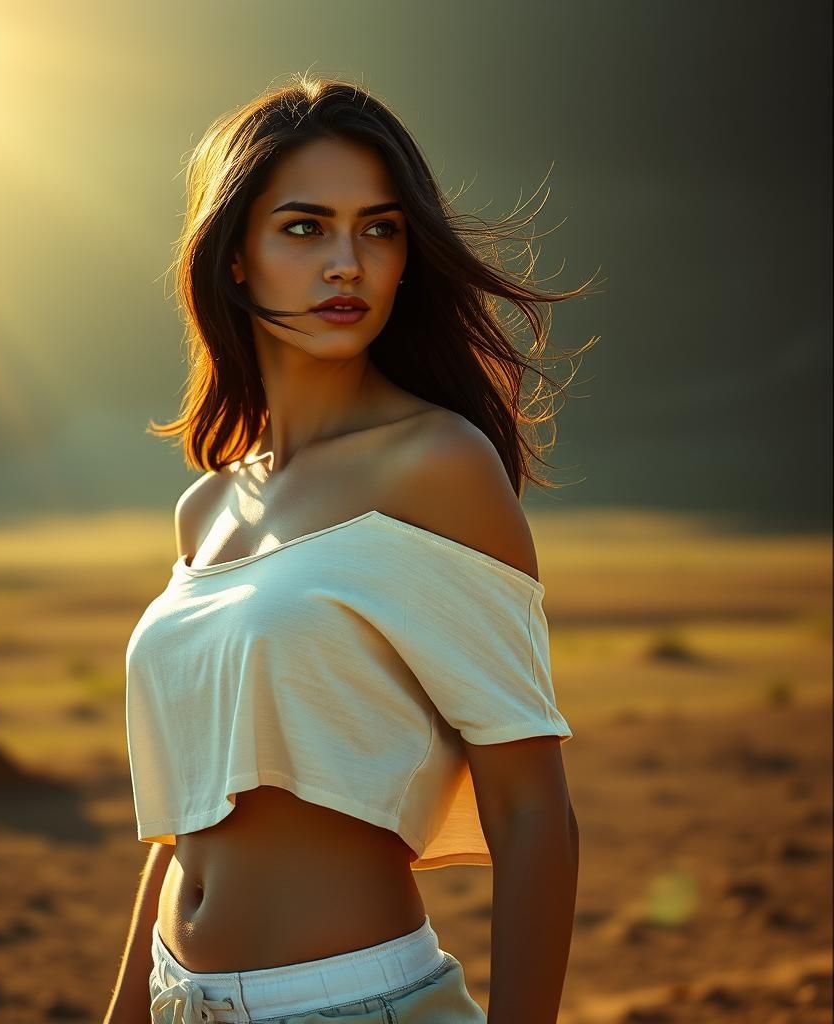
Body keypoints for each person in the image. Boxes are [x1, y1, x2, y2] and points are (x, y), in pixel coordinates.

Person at [105, 74, 601, 1024]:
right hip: (177, 998)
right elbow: (180, 830)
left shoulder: (439, 465)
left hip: (348, 1005)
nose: (349, 264)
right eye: (305, 228)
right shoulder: (207, 506)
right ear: (235, 255)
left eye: (379, 229)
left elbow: (534, 812)